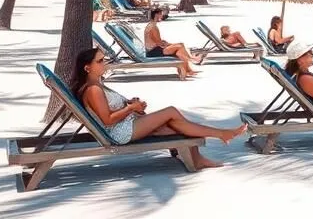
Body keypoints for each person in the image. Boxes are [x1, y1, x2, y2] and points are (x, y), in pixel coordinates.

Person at [72, 47, 245, 168]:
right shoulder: (93, 90)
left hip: (128, 123)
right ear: (88, 68)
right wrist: (131, 108)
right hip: (121, 132)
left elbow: (110, 109)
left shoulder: (97, 84)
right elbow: (107, 120)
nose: (105, 63)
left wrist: (131, 104)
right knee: (171, 111)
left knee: (175, 127)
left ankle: (202, 155)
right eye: (100, 61)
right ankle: (221, 135)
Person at [144, 7, 204, 79]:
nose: (162, 16)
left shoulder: (151, 25)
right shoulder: (153, 27)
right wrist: (170, 44)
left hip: (155, 49)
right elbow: (159, 43)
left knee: (180, 49)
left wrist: (168, 44)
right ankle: (192, 59)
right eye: (161, 14)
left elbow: (157, 41)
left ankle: (189, 69)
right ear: (157, 15)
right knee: (180, 46)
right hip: (154, 51)